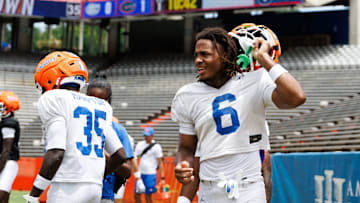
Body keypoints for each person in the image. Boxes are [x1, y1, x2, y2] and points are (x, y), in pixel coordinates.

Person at [172, 26, 306, 203]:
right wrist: (182, 165)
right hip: (208, 191)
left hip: (247, 189)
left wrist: (264, 58)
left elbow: (296, 97)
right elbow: (187, 148)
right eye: (196, 55)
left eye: (205, 54)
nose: (198, 60)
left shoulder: (255, 82)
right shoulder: (187, 95)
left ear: (225, 56)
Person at [23, 51, 130, 203]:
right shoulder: (101, 105)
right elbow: (120, 155)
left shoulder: (54, 98)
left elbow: (56, 153)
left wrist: (33, 195)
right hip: (95, 188)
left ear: (49, 76)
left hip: (67, 187)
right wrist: (97, 176)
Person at [86, 77, 145, 203]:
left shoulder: (118, 130)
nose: (95, 105)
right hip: (76, 191)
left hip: (104, 194)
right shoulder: (76, 124)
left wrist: (106, 156)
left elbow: (127, 171)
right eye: (91, 100)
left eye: (100, 101)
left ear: (109, 101)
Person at [134, 127, 165, 203]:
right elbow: (134, 158)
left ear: (152, 135)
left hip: (150, 174)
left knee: (148, 196)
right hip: (140, 174)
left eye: (147, 135)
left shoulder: (157, 147)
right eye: (144, 135)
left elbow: (160, 163)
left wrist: (162, 178)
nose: (146, 137)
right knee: (137, 194)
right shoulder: (140, 144)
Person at [0, 91, 21, 203]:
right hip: (4, 162)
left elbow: (6, 150)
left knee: (1, 196)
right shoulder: (5, 121)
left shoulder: (9, 122)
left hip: (7, 163)